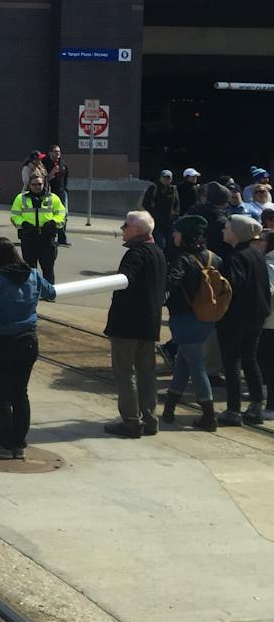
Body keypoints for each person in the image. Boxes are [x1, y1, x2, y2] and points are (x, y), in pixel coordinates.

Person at [0, 237, 54, 459]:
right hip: (28, 340)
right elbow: (51, 293)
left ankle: (5, 445)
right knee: (20, 393)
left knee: (1, 394)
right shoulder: (33, 275)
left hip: (1, 341)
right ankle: (19, 443)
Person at [103, 210, 168, 437]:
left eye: (125, 225)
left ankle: (131, 421)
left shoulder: (135, 254)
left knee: (124, 372)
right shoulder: (158, 252)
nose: (122, 229)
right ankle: (150, 419)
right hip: (149, 323)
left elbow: (125, 281)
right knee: (146, 372)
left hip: (128, 324)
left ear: (138, 230)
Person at [161, 215, 222, 432]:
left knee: (196, 365)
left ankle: (209, 415)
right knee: (183, 362)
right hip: (206, 318)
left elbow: (170, 283)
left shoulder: (183, 259)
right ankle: (168, 410)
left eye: (176, 233)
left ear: (184, 235)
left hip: (185, 319)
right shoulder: (215, 258)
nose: (173, 236)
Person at [216, 214, 269, 426]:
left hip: (236, 318)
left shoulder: (235, 258)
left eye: (227, 228)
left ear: (236, 233)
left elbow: (231, 289)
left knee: (231, 362)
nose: (223, 230)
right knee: (250, 358)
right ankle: (256, 406)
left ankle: (233, 410)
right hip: (256, 315)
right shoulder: (256, 254)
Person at [11, 170, 65, 284]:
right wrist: (24, 224)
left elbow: (61, 213)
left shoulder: (53, 198)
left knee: (48, 267)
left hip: (47, 237)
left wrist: (53, 223)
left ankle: (49, 292)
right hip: (29, 236)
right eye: (34, 184)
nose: (37, 187)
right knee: (29, 268)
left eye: (39, 184)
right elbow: (15, 216)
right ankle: (31, 292)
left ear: (44, 184)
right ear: (29, 185)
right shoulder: (21, 198)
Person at [142, 170, 180, 253]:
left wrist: (175, 214)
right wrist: (154, 214)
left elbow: (177, 204)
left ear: (171, 179)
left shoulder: (173, 189)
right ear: (160, 178)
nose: (166, 179)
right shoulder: (154, 188)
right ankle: (158, 261)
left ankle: (166, 263)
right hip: (156, 222)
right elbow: (145, 203)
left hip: (169, 222)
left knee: (170, 245)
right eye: (164, 177)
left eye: (168, 178)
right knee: (161, 244)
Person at [46, 146, 71, 246]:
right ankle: (50, 237)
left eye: (59, 152)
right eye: (55, 152)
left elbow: (66, 178)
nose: (58, 154)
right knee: (50, 215)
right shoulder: (45, 164)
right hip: (50, 192)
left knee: (64, 214)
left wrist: (65, 189)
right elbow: (44, 178)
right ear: (50, 153)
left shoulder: (63, 164)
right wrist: (52, 172)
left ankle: (62, 239)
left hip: (62, 192)